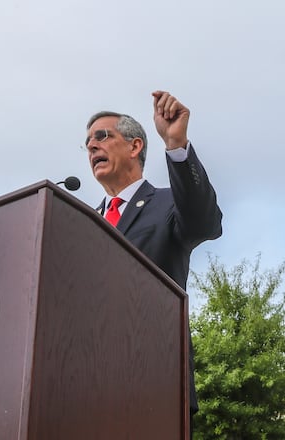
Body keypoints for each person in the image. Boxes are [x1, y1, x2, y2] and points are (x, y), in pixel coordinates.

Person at [85, 90, 223, 418]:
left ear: (135, 146)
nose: (92, 146)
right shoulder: (81, 223)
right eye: (88, 141)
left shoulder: (166, 203)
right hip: (86, 386)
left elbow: (205, 224)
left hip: (153, 378)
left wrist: (176, 145)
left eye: (102, 136)